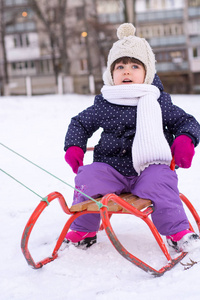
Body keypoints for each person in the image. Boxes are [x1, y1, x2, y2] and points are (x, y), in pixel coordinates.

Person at [64, 23, 200, 252]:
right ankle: (84, 230)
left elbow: (187, 122)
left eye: (135, 65)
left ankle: (178, 232)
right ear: (111, 73)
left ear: (147, 73)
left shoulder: (157, 101)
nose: (127, 71)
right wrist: (74, 146)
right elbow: (79, 122)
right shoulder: (105, 102)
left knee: (161, 181)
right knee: (88, 177)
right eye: (120, 66)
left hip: (149, 168)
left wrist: (186, 139)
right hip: (111, 169)